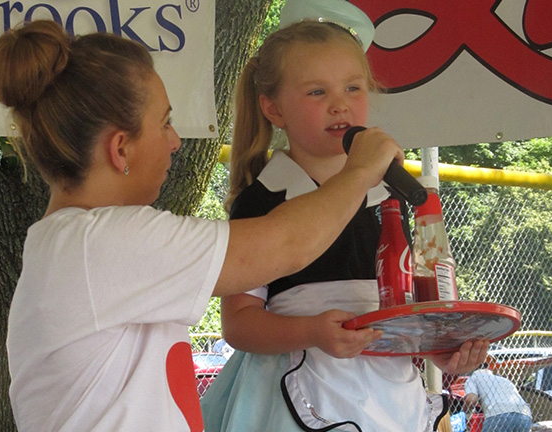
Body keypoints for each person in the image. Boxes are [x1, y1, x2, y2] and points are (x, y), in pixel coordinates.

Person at [0, 20, 406, 432]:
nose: (175, 141)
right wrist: (361, 171)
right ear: (120, 148)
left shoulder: (80, 242)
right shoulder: (100, 243)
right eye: (164, 122)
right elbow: (287, 245)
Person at [200, 1, 489, 431]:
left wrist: (438, 347)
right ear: (273, 108)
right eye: (318, 92)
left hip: (390, 396)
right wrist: (312, 333)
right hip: (292, 394)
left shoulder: (390, 194)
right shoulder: (261, 201)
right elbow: (239, 325)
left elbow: (400, 308)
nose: (341, 106)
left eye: (353, 89)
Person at [463, 365, 533, 432]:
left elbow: (471, 400)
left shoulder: (473, 378)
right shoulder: (505, 380)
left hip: (498, 415)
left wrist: (464, 412)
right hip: (524, 415)